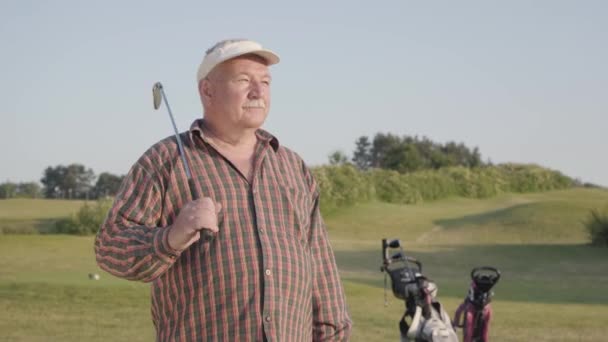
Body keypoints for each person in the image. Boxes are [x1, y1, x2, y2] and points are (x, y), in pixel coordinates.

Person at [95, 39, 352, 341]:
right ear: (207, 90)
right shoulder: (164, 161)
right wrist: (172, 236)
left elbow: (319, 267)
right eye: (244, 80)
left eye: (265, 82)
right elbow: (111, 247)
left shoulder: (292, 167)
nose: (258, 92)